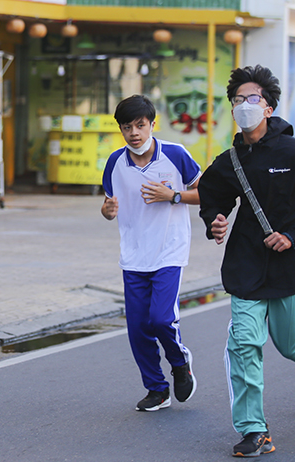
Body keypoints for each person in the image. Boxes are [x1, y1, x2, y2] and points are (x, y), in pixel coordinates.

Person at [197, 65, 295, 457]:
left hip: (290, 266)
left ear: (268, 107)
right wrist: (214, 218)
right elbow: (212, 193)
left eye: (253, 99)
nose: (244, 106)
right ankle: (254, 429)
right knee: (244, 343)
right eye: (238, 101)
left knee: (290, 341)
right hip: (246, 264)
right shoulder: (230, 159)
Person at [101, 94, 200, 413]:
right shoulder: (115, 162)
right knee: (138, 327)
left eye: (140, 125)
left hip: (169, 251)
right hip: (133, 255)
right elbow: (107, 206)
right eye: (127, 127)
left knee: (161, 318)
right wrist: (107, 210)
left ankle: (180, 363)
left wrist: (173, 196)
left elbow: (206, 193)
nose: (134, 133)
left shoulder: (175, 155)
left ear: (152, 125)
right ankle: (156, 388)